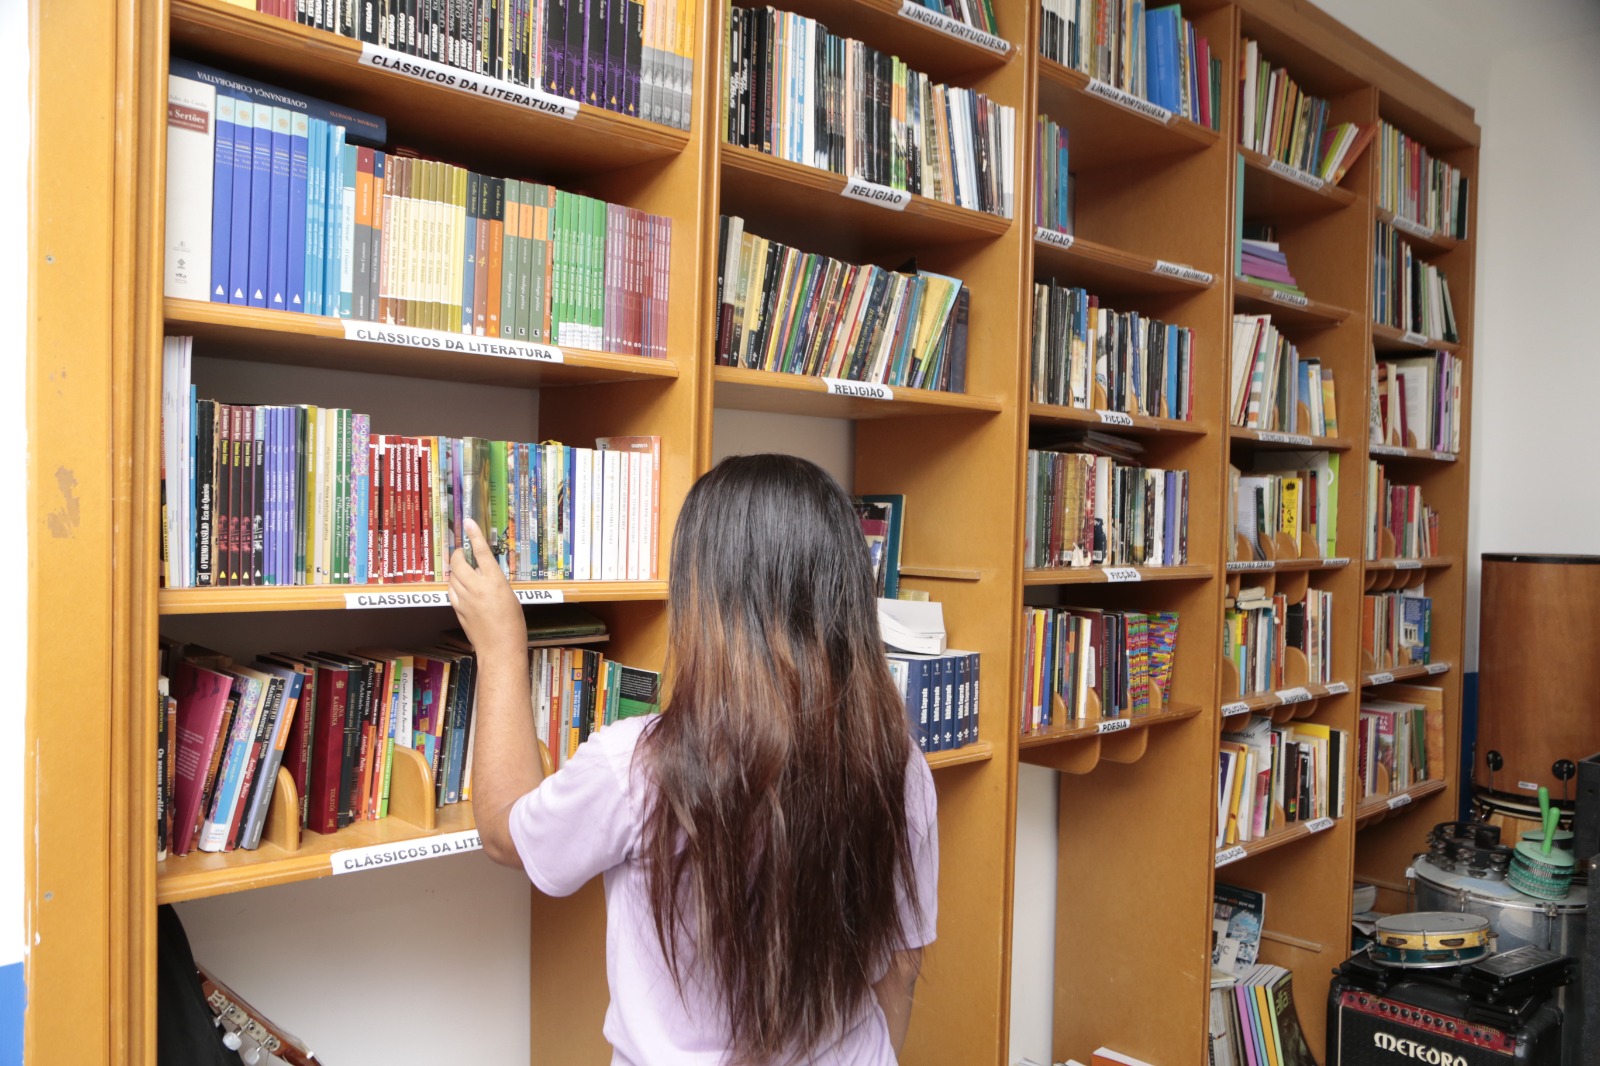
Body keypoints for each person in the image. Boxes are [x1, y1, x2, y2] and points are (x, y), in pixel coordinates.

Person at [447, 453, 939, 1066]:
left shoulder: (639, 765)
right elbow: (900, 966)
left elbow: (505, 831)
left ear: (701, 597)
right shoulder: (898, 763)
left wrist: (501, 645)